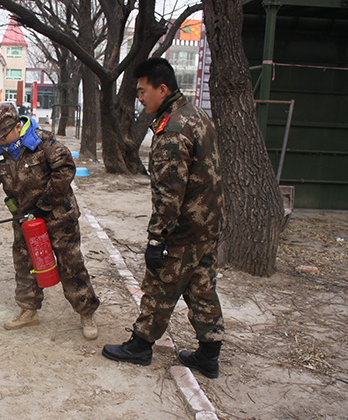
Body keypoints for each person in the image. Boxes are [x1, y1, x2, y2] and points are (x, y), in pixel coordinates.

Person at [102, 57, 226, 378]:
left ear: (162, 88)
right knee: (201, 286)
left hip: (183, 229)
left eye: (143, 91)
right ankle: (208, 355)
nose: (139, 98)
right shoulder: (197, 115)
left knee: (160, 283)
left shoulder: (172, 128)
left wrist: (157, 239)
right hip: (208, 224)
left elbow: (170, 194)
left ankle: (140, 346)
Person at [0, 103, 101, 340]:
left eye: (3, 135)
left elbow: (65, 169)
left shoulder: (43, 142)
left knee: (70, 264)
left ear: (16, 127)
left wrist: (43, 205)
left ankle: (86, 312)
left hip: (58, 215)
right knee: (24, 264)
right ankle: (28, 310)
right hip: (25, 218)